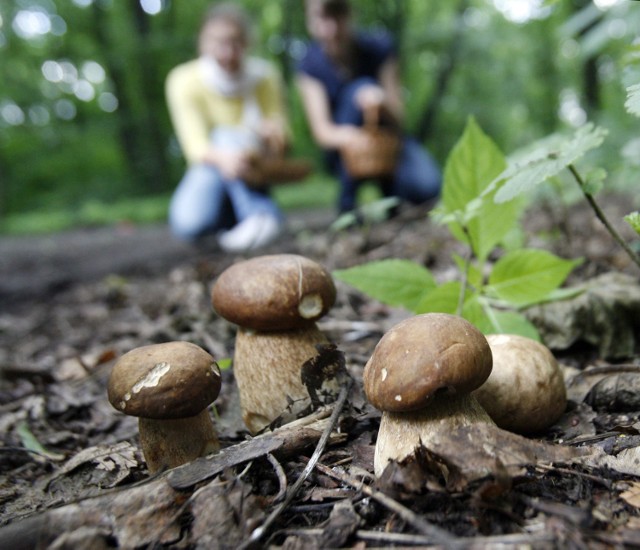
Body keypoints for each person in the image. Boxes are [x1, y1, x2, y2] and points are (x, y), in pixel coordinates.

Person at [296, 0, 442, 214]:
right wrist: (356, 139)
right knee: (360, 88)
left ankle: (391, 195)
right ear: (310, 20)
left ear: (351, 14)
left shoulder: (379, 48)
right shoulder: (309, 64)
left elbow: (400, 118)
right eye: (323, 17)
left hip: (390, 141)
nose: (333, 29)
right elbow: (322, 131)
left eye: (339, 15)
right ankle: (348, 204)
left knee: (428, 187)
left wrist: (381, 103)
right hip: (343, 152)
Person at [165, 3, 288, 251]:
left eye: (235, 42)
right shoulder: (183, 80)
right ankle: (248, 219)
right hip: (210, 171)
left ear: (246, 42)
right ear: (202, 43)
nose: (227, 52)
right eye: (218, 42)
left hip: (254, 170)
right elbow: (195, 146)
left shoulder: (265, 77)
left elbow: (283, 137)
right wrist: (226, 158)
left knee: (228, 136)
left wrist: (273, 134)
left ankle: (259, 216)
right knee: (189, 223)